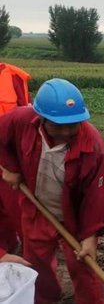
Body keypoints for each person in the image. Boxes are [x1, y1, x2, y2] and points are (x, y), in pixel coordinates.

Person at [0, 78, 104, 303]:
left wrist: (90, 235)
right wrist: (11, 167)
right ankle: (45, 299)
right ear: (41, 118)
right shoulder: (21, 120)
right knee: (38, 263)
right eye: (58, 125)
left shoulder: (93, 146)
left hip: (75, 218)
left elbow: (96, 197)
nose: (67, 131)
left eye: (73, 124)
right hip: (38, 207)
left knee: (83, 266)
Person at [0, 62, 31, 260]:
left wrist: (16, 165)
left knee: (20, 214)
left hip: (10, 161)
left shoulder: (13, 77)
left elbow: (26, 120)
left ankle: (26, 256)